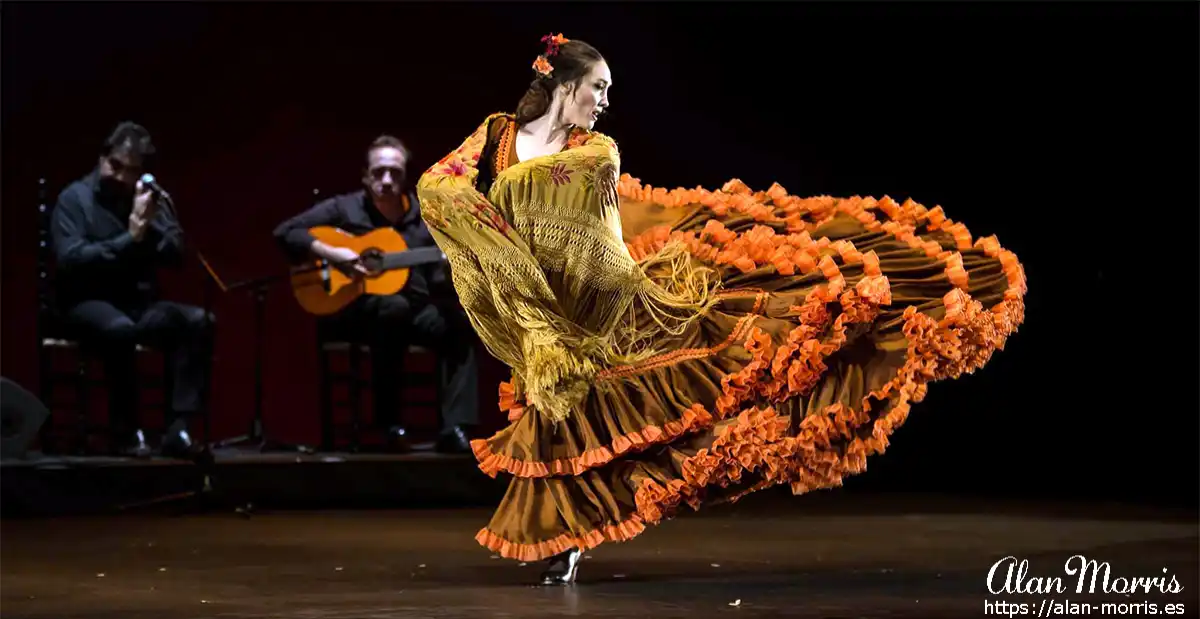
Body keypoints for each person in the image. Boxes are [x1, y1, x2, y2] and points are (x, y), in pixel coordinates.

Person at [416, 34, 1027, 585]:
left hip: (605, 302)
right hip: (537, 312)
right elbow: (439, 186)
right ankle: (565, 541)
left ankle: (569, 540)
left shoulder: (596, 151)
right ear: (566, 85)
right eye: (598, 87)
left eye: (608, 91)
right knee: (561, 409)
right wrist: (497, 242)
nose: (604, 100)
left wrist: (489, 209)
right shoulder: (495, 133)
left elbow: (542, 205)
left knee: (647, 397)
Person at [273, 135, 478, 454]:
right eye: (379, 172)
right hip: (355, 313)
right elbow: (286, 232)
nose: (386, 180)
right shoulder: (344, 208)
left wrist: (453, 265)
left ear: (405, 176)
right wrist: (334, 253)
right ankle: (389, 426)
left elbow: (438, 278)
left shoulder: (426, 217)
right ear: (366, 176)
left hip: (415, 309)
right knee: (390, 309)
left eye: (394, 173)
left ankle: (456, 427)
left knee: (459, 324)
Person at [50, 122, 211, 458]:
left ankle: (178, 429)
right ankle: (125, 432)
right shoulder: (74, 199)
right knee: (120, 330)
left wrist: (150, 226)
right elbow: (71, 259)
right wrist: (131, 237)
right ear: (102, 158)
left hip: (137, 303)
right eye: (115, 166)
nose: (121, 177)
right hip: (85, 301)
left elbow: (176, 254)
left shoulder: (147, 198)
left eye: (132, 170)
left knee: (198, 321)